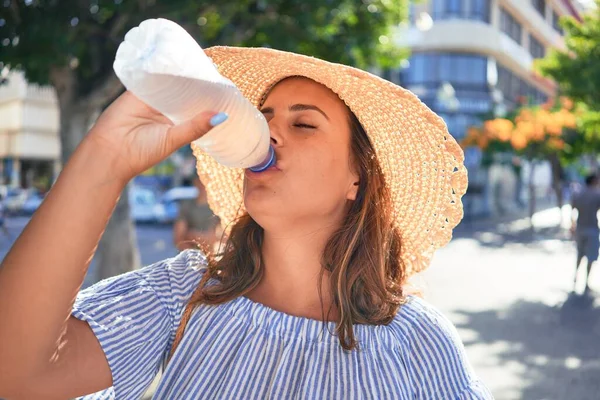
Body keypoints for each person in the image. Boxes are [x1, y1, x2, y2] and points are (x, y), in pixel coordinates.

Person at [0, 47, 492, 399]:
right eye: (262, 117)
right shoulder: (182, 296)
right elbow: (16, 376)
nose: (269, 130)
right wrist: (105, 159)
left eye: (303, 124)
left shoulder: (419, 342)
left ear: (355, 179)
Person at [570, 173, 600, 294]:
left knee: (580, 254)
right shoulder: (597, 194)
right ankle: (586, 281)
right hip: (592, 229)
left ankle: (576, 277)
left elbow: (572, 210)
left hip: (580, 228)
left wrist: (572, 225)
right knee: (590, 257)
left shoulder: (578, 194)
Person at [173, 176, 220, 251]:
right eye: (200, 181)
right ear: (195, 182)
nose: (203, 185)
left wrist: (195, 235)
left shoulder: (218, 208)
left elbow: (217, 237)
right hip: (189, 256)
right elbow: (179, 238)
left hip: (211, 256)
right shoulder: (187, 206)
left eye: (206, 181)